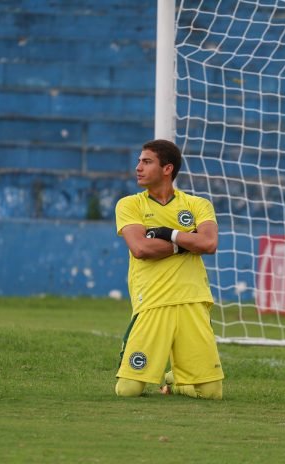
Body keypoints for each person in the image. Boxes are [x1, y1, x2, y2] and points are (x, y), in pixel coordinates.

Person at [113, 139, 224, 399]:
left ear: (167, 169)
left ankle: (173, 381)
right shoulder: (130, 204)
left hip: (192, 299)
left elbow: (208, 243)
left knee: (211, 394)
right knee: (128, 390)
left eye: (147, 161)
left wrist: (167, 233)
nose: (138, 167)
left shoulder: (198, 205)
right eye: (139, 161)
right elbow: (140, 249)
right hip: (152, 301)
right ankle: (156, 372)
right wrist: (185, 242)